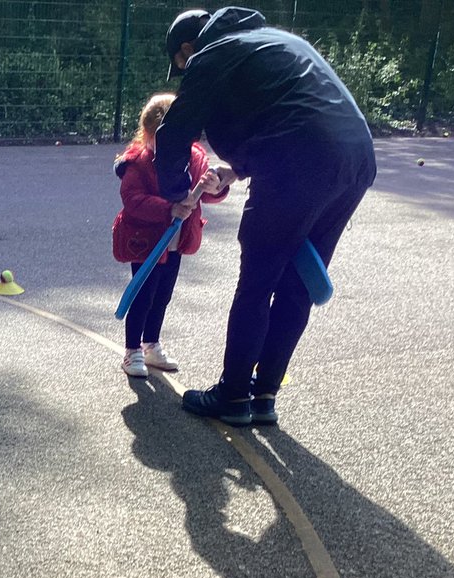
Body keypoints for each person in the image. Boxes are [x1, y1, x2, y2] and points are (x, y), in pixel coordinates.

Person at [156, 7, 376, 426]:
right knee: (297, 284)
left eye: (181, 65)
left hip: (298, 161)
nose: (185, 71)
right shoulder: (275, 40)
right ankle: (265, 395)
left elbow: (174, 131)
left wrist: (176, 194)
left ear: (188, 48)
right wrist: (236, 169)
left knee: (258, 281)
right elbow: (291, 111)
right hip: (356, 160)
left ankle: (234, 395)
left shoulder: (211, 53)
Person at [112, 92, 227, 378]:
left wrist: (215, 187)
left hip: (176, 241)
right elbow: (133, 199)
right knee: (143, 294)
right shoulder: (137, 162)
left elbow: (207, 196)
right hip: (146, 241)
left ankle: (151, 344)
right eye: (160, 139)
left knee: (163, 294)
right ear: (148, 134)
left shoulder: (194, 156)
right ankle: (132, 350)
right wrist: (169, 209)